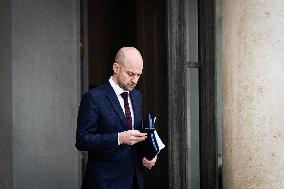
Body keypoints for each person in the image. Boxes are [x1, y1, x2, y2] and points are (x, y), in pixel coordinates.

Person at [75, 47, 157, 189]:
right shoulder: (94, 97)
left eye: (138, 75)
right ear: (116, 68)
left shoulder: (136, 96)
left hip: (134, 180)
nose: (135, 80)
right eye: (130, 74)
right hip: (104, 182)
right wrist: (119, 138)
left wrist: (148, 154)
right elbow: (82, 140)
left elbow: (136, 134)